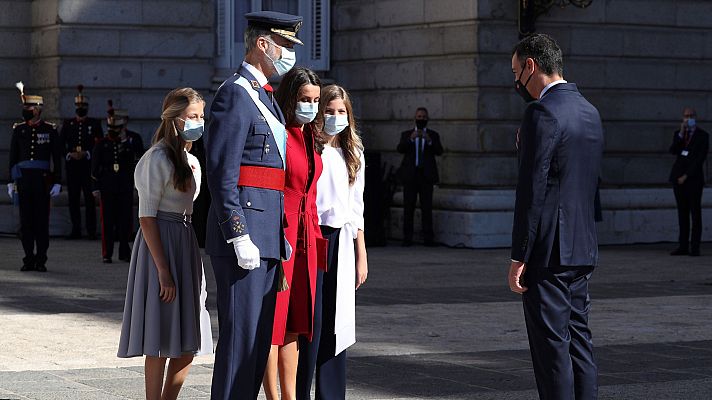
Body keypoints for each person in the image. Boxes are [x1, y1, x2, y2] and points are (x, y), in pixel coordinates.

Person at [204, 10, 303, 400]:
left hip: (267, 236)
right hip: (244, 237)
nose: (290, 53)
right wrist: (237, 233)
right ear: (263, 44)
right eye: (286, 45)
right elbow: (222, 172)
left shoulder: (264, 97)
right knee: (240, 339)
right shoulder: (235, 93)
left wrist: (278, 231)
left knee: (259, 342)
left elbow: (272, 177)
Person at [508, 34, 603, 400]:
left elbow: (532, 190)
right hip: (582, 246)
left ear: (532, 66)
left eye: (517, 72)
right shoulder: (589, 111)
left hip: (547, 252)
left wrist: (520, 254)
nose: (516, 82)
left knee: (551, 351)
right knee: (580, 343)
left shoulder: (541, 113)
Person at [117, 87, 212, 400]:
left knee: (191, 337)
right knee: (159, 336)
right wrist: (163, 270)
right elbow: (147, 218)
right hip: (160, 245)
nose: (199, 121)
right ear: (175, 119)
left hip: (185, 242)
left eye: (201, 116)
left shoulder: (192, 160)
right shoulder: (155, 158)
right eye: (192, 116)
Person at [296, 84, 368, 400]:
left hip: (342, 239)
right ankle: (299, 389)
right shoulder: (310, 148)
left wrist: (360, 255)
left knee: (337, 322)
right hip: (314, 237)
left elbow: (356, 208)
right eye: (329, 110)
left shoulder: (354, 154)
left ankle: (331, 392)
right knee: (312, 318)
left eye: (341, 112)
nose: (335, 117)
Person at [262, 67, 325, 400]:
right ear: (290, 98)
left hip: (307, 239)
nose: (311, 106)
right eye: (305, 99)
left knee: (295, 326)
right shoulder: (280, 134)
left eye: (315, 100)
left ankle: (290, 397)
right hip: (282, 236)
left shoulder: (310, 136)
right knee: (273, 325)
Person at [8, 82, 63, 272]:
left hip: (42, 181)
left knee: (41, 222)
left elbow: (57, 157)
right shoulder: (19, 129)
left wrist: (57, 181)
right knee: (26, 223)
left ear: (38, 109)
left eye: (28, 107)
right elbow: (13, 156)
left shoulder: (49, 130)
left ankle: (41, 259)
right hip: (23, 181)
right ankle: (28, 258)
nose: (25, 110)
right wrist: (11, 180)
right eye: (25, 107)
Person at [91, 112, 139, 263]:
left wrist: (125, 143)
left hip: (124, 186)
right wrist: (95, 187)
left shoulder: (129, 143)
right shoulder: (101, 143)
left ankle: (124, 251)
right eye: (111, 127)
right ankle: (107, 253)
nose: (113, 130)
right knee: (107, 221)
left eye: (116, 128)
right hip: (107, 187)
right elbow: (95, 168)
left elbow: (135, 162)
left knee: (125, 221)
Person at [60, 85, 103, 240]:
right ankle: (76, 229)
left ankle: (91, 230)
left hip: (87, 166)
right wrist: (69, 154)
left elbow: (99, 144)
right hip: (73, 166)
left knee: (89, 198)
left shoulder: (94, 124)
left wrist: (87, 153)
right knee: (73, 198)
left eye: (83, 106)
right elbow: (60, 143)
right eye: (78, 106)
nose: (81, 108)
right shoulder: (68, 124)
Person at [396, 107, 443, 246]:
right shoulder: (407, 134)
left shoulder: (433, 135)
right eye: (419, 116)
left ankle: (428, 238)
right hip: (410, 176)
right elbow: (400, 149)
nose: (421, 119)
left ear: (427, 119)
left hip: (426, 177)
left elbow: (439, 151)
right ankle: (407, 238)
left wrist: (429, 141)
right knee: (408, 208)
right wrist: (411, 139)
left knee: (427, 208)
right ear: (414, 118)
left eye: (423, 117)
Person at [669, 107, 708, 257]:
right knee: (682, 213)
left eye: (691, 116)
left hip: (693, 180)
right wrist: (680, 133)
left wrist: (686, 176)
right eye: (686, 116)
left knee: (695, 213)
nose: (688, 118)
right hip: (678, 179)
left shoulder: (703, 136)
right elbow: (673, 150)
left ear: (696, 117)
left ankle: (695, 246)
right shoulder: (679, 135)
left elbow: (699, 159)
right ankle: (683, 245)